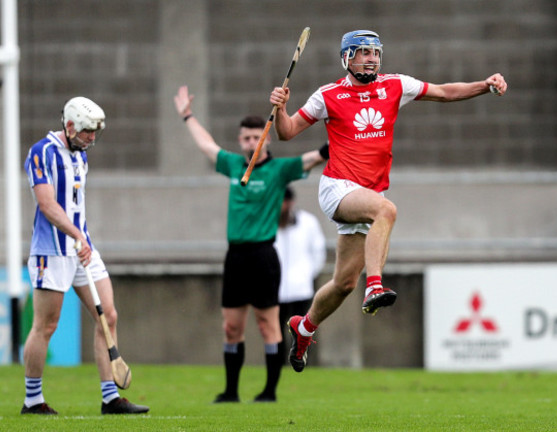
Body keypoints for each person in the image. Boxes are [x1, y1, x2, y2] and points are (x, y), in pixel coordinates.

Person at [269, 30, 509, 372]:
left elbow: (444, 92)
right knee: (387, 210)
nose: (371, 58)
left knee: (343, 284)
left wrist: (484, 85)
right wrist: (280, 109)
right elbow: (287, 131)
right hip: (338, 187)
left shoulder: (396, 85)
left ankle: (303, 328)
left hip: (369, 192)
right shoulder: (328, 95)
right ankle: (376, 285)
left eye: (375, 53)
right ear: (346, 58)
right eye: (363, 52)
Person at [174, 86, 327, 402]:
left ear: (266, 138)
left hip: (263, 255)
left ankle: (269, 392)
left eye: (256, 137)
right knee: (231, 327)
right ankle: (231, 391)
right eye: (245, 138)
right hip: (236, 256)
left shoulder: (278, 170)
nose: (250, 143)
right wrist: (187, 115)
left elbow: (315, 157)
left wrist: (338, 140)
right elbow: (206, 145)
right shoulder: (232, 165)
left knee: (268, 324)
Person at [22, 97, 149, 415]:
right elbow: (47, 204)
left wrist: (82, 238)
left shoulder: (81, 157)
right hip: (52, 251)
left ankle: (111, 398)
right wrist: (75, 235)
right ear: (69, 126)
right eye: (88, 131)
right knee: (46, 326)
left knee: (108, 315)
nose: (93, 138)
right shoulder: (42, 152)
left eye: (96, 132)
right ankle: (33, 400)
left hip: (83, 249)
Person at [275, 186, 326, 362]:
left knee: (302, 331)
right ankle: (278, 365)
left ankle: (302, 362)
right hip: (275, 288)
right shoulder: (268, 223)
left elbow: (318, 251)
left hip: (301, 288)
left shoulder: (308, 222)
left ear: (291, 202)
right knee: (275, 332)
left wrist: (307, 274)